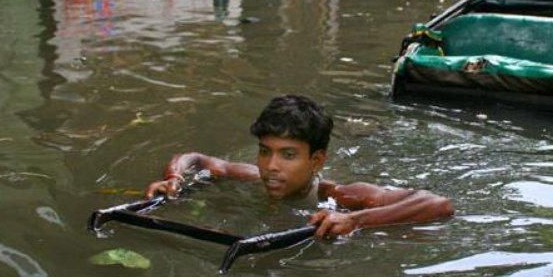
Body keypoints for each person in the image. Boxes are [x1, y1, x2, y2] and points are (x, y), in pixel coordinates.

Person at [145, 95, 454, 239]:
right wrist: (174, 178)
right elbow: (196, 158)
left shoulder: (341, 196)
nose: (271, 167)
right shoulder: (252, 177)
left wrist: (356, 221)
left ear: (316, 160)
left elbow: (438, 204)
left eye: (288, 155)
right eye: (265, 152)